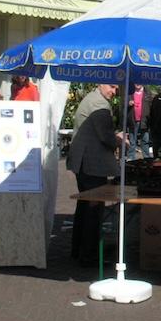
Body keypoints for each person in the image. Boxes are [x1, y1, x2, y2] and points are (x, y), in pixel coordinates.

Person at [66, 84, 125, 266]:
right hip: (91, 164)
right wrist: (120, 139)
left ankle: (78, 250)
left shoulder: (91, 99)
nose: (114, 92)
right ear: (102, 84)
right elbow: (106, 137)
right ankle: (89, 255)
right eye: (112, 87)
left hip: (83, 161)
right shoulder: (100, 106)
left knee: (84, 207)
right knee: (93, 209)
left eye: (117, 89)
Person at [126, 84, 153, 160]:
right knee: (132, 141)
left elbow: (151, 107)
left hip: (144, 121)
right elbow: (123, 105)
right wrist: (128, 103)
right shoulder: (129, 93)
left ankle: (147, 158)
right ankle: (131, 158)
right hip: (132, 121)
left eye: (139, 82)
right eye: (136, 82)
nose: (137, 84)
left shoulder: (147, 93)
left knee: (145, 141)